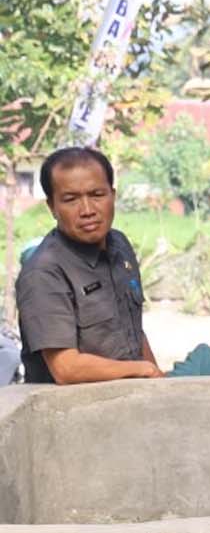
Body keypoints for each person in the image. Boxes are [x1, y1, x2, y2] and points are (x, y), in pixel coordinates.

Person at [16, 146, 163, 383]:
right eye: (71, 199)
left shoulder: (119, 245)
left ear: (112, 196)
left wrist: (158, 383)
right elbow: (66, 368)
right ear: (52, 207)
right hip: (70, 412)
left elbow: (132, 330)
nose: (87, 210)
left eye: (97, 195)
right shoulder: (44, 272)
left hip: (128, 402)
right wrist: (142, 370)